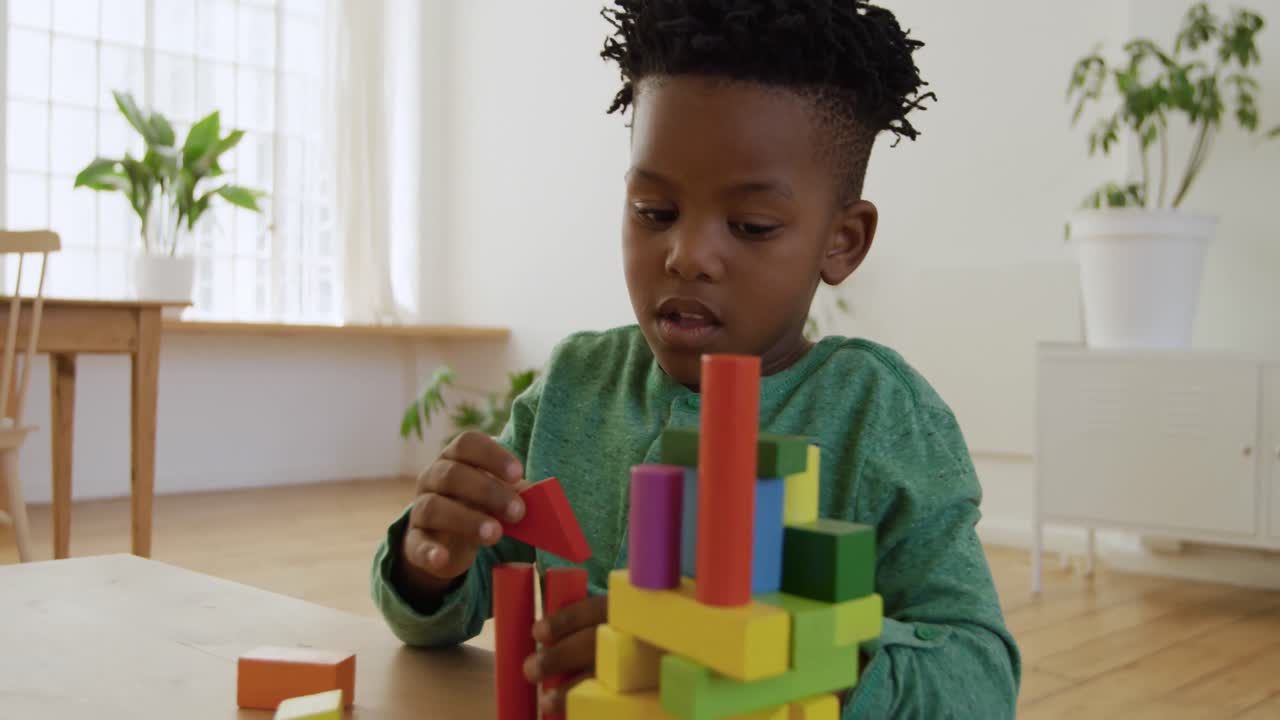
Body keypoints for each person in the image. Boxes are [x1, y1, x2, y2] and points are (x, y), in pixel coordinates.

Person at [370, 1, 1021, 717]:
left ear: (842, 242)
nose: (687, 255)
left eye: (751, 225)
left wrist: (777, 657)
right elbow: (439, 611)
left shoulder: (880, 415)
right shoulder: (574, 387)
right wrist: (431, 563)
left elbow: (980, 678)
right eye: (654, 212)